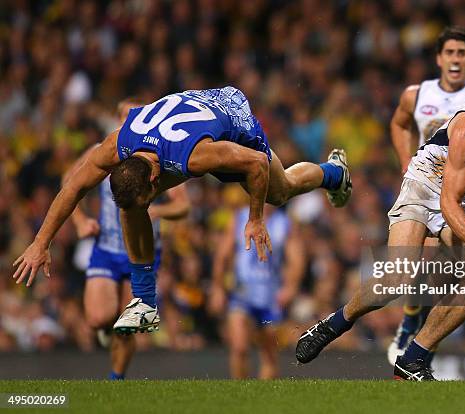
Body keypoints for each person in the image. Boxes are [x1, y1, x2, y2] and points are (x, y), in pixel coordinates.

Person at [13, 86, 351, 334]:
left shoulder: (194, 155)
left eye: (151, 195)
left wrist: (255, 218)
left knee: (281, 191)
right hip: (189, 122)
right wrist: (40, 243)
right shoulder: (115, 145)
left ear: (156, 176)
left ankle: (334, 172)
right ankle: (144, 300)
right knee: (129, 209)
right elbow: (72, 187)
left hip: (233, 118)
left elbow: (254, 163)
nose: (149, 202)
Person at [296, 73, 465, 381]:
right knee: (398, 277)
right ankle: (334, 324)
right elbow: (447, 204)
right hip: (425, 183)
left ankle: (413, 359)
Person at [387, 27, 465, 366]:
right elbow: (399, 123)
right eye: (450, 53)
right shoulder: (416, 94)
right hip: (426, 186)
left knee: (452, 271)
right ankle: (412, 321)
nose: (456, 59)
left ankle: (419, 332)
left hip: (461, 192)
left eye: (462, 53)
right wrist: (405, 162)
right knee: (417, 259)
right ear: (439, 59)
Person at [67, 98, 189, 379]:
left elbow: (183, 206)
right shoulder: (103, 151)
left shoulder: (157, 156)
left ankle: (116, 381)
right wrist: (80, 220)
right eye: (122, 116)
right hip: (108, 248)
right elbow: (69, 183)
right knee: (98, 318)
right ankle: (107, 333)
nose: (126, 121)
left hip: (143, 250)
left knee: (127, 325)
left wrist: (156, 210)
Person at [210, 204, 304, 379]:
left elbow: (296, 260)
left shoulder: (284, 224)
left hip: (270, 295)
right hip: (242, 292)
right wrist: (218, 288)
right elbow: (222, 255)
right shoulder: (239, 218)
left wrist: (290, 287)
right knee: (239, 347)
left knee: (269, 354)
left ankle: (262, 400)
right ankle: (240, 394)